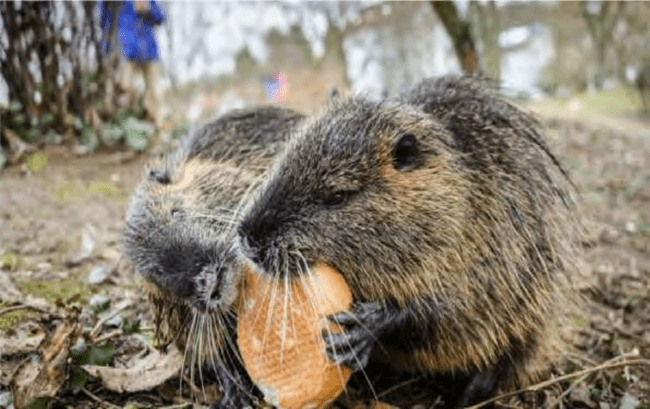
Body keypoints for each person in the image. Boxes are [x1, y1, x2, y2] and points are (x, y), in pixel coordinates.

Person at [99, 0, 165, 123]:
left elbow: (160, 18)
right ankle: (124, 120)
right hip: (125, 50)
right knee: (124, 88)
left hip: (149, 49)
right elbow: (103, 21)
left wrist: (148, 9)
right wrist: (108, 48)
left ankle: (156, 123)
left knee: (154, 91)